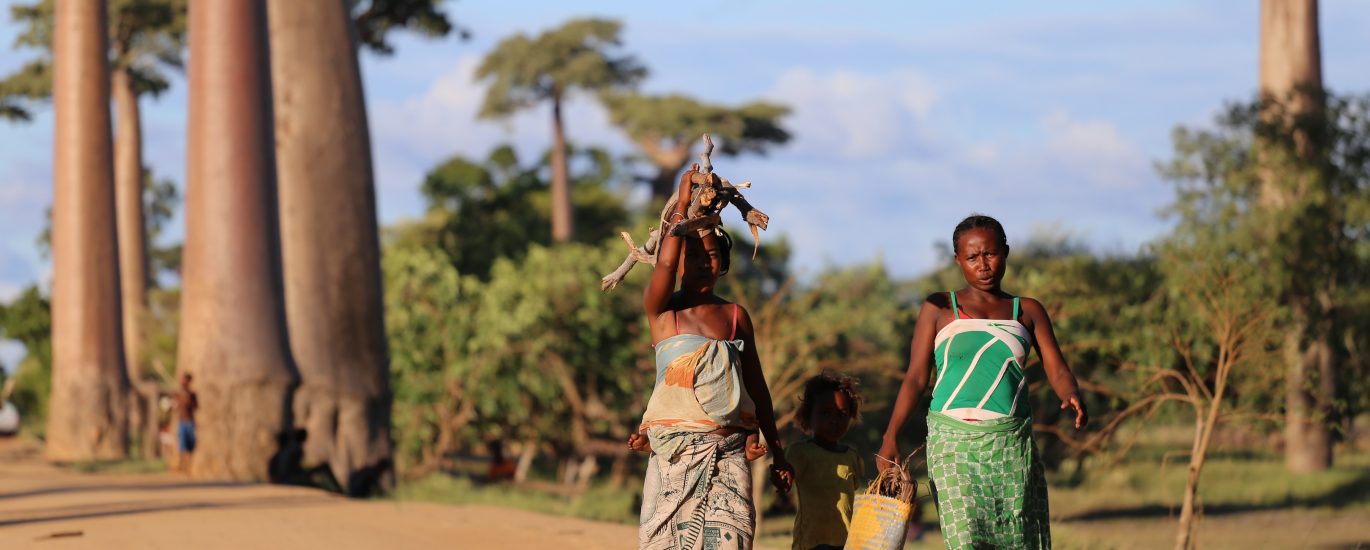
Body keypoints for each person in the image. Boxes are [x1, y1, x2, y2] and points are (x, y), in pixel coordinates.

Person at [878, 214, 1088, 549]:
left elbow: (1057, 368)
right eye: (972, 257)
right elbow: (917, 377)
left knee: (1015, 539)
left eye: (990, 254)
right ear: (958, 260)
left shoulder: (1027, 311)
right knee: (966, 540)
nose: (983, 265)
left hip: (1011, 444)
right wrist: (891, 436)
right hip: (952, 443)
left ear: (1005, 252)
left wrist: (1071, 392)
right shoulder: (940, 307)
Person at [633, 165, 793, 550]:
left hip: (728, 457)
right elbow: (666, 264)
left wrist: (778, 451)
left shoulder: (735, 317)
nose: (703, 263)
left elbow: (756, 386)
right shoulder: (662, 313)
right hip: (673, 458)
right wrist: (682, 202)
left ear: (723, 264)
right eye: (694, 255)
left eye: (711, 256)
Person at [786, 372, 866, 550]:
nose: (834, 421)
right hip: (810, 542)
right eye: (825, 413)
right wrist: (781, 477)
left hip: (845, 543)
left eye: (841, 414)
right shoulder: (800, 452)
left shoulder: (851, 456)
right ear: (808, 416)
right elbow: (787, 474)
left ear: (851, 416)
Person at [175, 373, 198, 473]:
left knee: (191, 446)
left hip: (190, 422)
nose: (183, 382)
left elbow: (196, 407)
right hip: (181, 422)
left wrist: (189, 401)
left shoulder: (192, 395)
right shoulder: (178, 394)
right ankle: (182, 466)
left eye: (185, 380)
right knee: (182, 445)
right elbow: (174, 407)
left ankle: (189, 467)